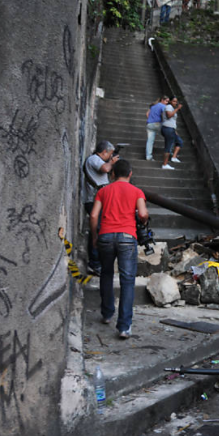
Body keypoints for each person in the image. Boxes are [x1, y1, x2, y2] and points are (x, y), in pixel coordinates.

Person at [90, 160, 149, 339]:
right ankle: (124, 327)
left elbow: (93, 215)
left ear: (113, 173)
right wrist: (143, 222)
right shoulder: (137, 191)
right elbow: (143, 214)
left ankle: (107, 314)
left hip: (106, 236)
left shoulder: (103, 191)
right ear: (130, 174)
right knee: (127, 280)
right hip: (127, 238)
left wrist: (94, 236)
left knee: (106, 274)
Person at [83, 141, 119, 275]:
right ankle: (94, 264)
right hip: (93, 201)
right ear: (104, 152)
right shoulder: (94, 159)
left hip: (99, 200)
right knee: (96, 231)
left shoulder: (99, 161)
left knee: (100, 230)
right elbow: (105, 169)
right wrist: (112, 162)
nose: (110, 157)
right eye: (109, 154)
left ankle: (97, 262)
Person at [160, 97, 184, 170]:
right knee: (168, 146)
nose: (175, 103)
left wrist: (175, 130)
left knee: (179, 142)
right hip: (167, 129)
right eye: (174, 101)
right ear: (170, 101)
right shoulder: (168, 107)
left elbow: (172, 121)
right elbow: (169, 115)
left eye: (176, 102)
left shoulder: (172, 108)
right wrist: (178, 109)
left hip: (171, 129)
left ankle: (173, 157)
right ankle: (164, 164)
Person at [146, 96, 169, 161]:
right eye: (166, 101)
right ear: (162, 100)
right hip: (157, 124)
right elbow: (165, 116)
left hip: (149, 124)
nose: (167, 103)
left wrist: (150, 119)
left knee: (150, 141)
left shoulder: (153, 106)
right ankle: (170, 152)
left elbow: (147, 114)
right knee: (169, 135)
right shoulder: (163, 106)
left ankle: (148, 156)